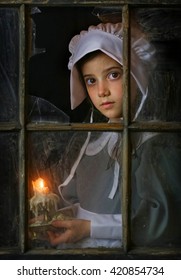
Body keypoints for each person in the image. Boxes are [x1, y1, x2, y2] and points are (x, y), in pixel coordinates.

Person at [47, 22, 181, 248]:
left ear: (137, 76)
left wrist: (91, 228)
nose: (101, 92)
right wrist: (53, 217)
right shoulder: (93, 140)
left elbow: (162, 223)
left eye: (113, 74)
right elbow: (78, 200)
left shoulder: (155, 144)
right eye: (91, 80)